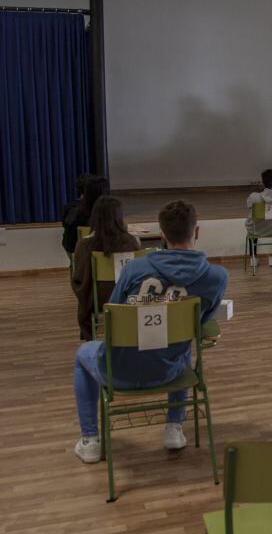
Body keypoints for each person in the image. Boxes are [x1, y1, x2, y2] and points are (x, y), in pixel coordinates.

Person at [71, 200, 228, 463]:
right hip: (171, 372)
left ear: (162, 234)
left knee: (82, 354)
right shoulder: (218, 277)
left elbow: (115, 318)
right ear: (197, 232)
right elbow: (202, 323)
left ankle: (90, 440)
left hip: (119, 371)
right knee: (182, 351)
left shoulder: (134, 269)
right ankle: (174, 428)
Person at [70, 196, 141, 341]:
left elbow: (79, 279)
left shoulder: (83, 245)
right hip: (126, 296)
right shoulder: (131, 242)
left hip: (97, 299)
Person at [62, 174, 109, 255]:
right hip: (94, 250)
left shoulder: (72, 209)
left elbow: (66, 226)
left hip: (74, 248)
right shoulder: (107, 210)